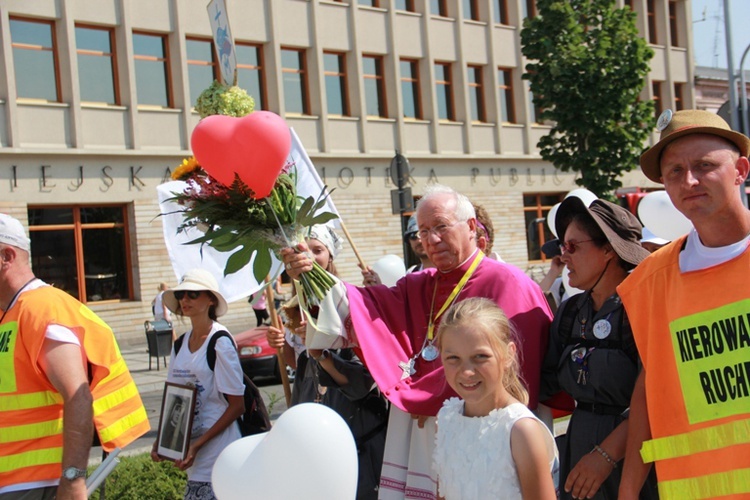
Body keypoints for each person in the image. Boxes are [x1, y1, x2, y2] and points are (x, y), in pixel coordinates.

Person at [281, 184, 552, 500]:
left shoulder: (509, 282)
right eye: (423, 232)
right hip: (420, 426)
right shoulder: (420, 284)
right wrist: (312, 277)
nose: (431, 240)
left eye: (441, 227)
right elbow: (366, 309)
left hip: (485, 431)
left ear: (470, 227)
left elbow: (519, 372)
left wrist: (428, 395)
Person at [617, 109, 750, 499]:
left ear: (741, 169)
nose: (689, 180)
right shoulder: (648, 282)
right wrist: (628, 492)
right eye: (674, 171)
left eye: (704, 166)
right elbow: (648, 387)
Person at [0, 214, 150, 499]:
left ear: (6, 256)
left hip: (35, 484)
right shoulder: (11, 311)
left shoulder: (43, 309)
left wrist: (72, 479)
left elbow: (78, 396)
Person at [540, 197, 658, 500]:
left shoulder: (645, 308)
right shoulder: (568, 313)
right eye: (561, 248)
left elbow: (660, 399)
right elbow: (543, 384)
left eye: (572, 247)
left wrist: (605, 456)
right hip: (579, 457)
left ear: (609, 249)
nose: (563, 257)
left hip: (639, 460)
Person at [268, 224, 388, 500]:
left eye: (317, 250)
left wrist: (321, 353)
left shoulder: (352, 302)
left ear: (330, 256)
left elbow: (363, 382)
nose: (308, 256)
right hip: (318, 447)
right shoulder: (295, 305)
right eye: (301, 250)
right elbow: (302, 372)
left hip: (358, 444)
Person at [433, 298, 558, 499]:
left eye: (480, 357)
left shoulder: (520, 430)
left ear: (508, 355)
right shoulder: (446, 419)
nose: (466, 372)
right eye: (453, 358)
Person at [151, 269, 245, 500]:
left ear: (210, 299)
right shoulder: (180, 343)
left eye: (193, 294)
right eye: (182, 294)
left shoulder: (220, 342)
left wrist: (197, 445)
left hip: (220, 452)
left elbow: (237, 406)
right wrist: (162, 441)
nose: (185, 300)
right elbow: (175, 398)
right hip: (193, 454)